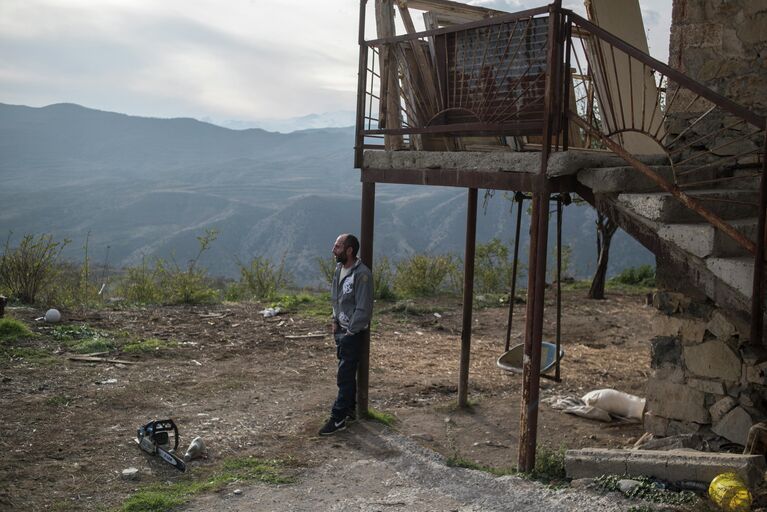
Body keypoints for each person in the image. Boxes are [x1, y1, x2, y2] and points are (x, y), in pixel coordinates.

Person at [319, 233, 373, 436]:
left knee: (345, 375)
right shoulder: (338, 270)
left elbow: (364, 307)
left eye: (338, 246)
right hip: (340, 330)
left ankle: (338, 417)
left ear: (349, 250)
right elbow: (336, 297)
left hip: (352, 333)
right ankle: (349, 409)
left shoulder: (362, 274)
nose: (333, 249)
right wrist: (334, 321)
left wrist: (350, 331)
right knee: (346, 372)